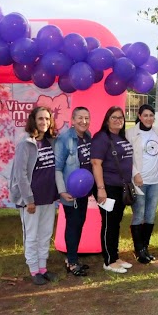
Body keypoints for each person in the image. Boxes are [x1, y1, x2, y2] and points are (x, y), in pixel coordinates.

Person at [9, 106, 58, 285]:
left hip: (48, 198)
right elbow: (20, 175)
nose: (44, 122)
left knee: (45, 234)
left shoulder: (50, 142)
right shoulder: (26, 144)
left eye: (47, 119)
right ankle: (33, 270)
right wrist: (28, 200)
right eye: (40, 119)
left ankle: (43, 268)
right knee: (32, 235)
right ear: (33, 121)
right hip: (32, 201)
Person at [91, 106, 134, 273]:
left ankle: (115, 256)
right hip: (107, 187)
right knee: (109, 223)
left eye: (121, 118)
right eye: (114, 117)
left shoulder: (121, 137)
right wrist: (101, 189)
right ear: (107, 119)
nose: (118, 120)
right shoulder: (101, 138)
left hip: (121, 187)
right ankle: (108, 260)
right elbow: (96, 163)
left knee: (116, 223)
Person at [55, 107, 92, 277]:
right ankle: (72, 262)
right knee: (73, 224)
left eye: (86, 118)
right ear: (72, 119)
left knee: (78, 223)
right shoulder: (65, 138)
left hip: (83, 192)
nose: (83, 121)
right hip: (70, 192)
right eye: (80, 118)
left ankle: (72, 258)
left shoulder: (87, 136)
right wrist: (62, 191)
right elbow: (57, 168)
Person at [126, 104, 158, 264]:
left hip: (155, 181)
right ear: (139, 116)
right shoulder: (131, 133)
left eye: (151, 115)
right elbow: (126, 157)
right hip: (139, 181)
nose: (148, 118)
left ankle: (145, 247)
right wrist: (135, 174)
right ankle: (139, 249)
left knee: (150, 215)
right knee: (139, 215)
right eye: (145, 115)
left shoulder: (156, 133)